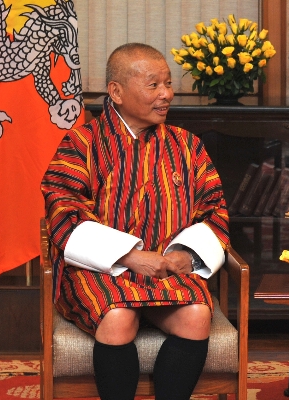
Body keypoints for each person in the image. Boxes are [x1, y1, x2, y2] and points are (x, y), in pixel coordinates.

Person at [41, 43, 229, 400]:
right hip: (97, 270)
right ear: (116, 92)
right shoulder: (82, 143)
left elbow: (214, 209)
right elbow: (63, 210)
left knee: (196, 316)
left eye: (168, 84)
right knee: (118, 318)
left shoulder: (187, 146)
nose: (167, 94)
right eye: (154, 85)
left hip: (167, 268)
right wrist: (128, 257)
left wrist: (185, 256)